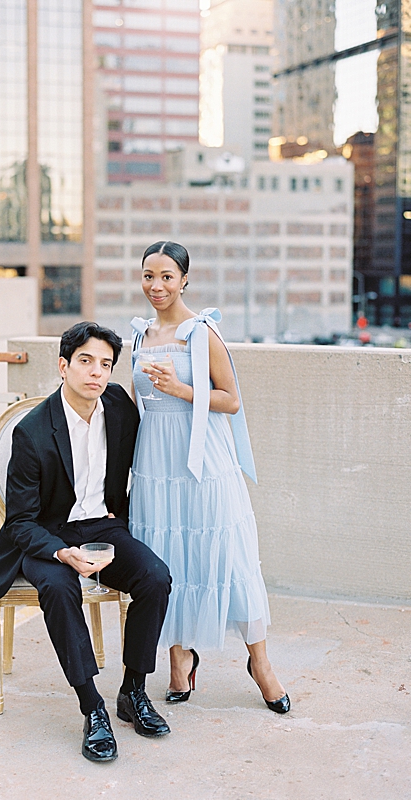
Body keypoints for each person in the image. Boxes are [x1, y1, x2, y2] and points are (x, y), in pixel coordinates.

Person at [0, 322, 173, 763]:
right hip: (48, 535)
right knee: (60, 587)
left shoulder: (119, 407)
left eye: (105, 364)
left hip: (102, 529)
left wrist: (117, 516)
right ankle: (93, 709)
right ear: (64, 365)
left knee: (155, 578)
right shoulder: (31, 432)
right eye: (86, 361)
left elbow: (142, 460)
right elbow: (20, 522)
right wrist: (61, 552)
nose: (96, 373)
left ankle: (132, 691)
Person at [130, 240, 290, 713]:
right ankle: (180, 661)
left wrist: (180, 388)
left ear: (184, 280)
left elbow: (231, 400)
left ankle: (260, 665)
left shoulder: (202, 332)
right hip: (155, 468)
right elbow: (135, 405)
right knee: (166, 562)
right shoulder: (138, 336)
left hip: (204, 465)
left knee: (231, 559)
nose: (156, 286)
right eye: (147, 276)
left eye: (165, 276)